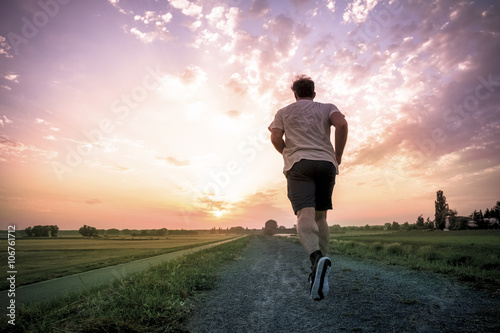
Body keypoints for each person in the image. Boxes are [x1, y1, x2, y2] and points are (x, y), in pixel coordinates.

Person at [268, 75, 348, 301]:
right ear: (314, 93)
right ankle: (321, 272)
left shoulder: (283, 112)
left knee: (305, 213)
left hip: (299, 164)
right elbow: (341, 123)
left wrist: (287, 152)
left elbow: (275, 137)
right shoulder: (327, 107)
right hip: (326, 163)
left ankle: (316, 260)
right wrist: (337, 155)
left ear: (295, 94)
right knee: (321, 217)